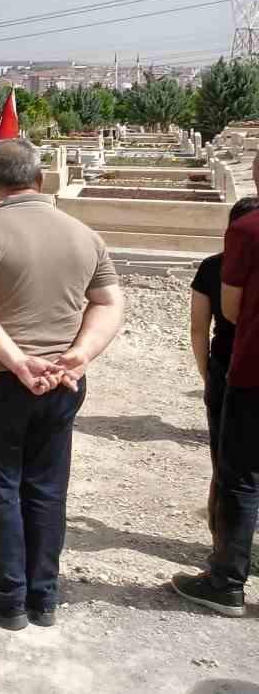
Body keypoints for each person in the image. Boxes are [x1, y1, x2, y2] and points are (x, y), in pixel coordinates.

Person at [0, 137, 123, 629]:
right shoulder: (82, 234)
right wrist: (79, 355)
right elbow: (109, 302)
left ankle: (7, 592)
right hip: (63, 380)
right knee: (47, 485)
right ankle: (43, 593)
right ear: (41, 180)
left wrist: (17, 361)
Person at [173, 152, 259, 616]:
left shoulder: (233, 246)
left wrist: (208, 374)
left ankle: (226, 576)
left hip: (244, 370)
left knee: (237, 474)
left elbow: (220, 317)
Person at [189, 197, 258, 547]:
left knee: (228, 465)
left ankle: (223, 546)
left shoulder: (212, 267)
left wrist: (206, 374)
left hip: (228, 365)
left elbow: (198, 328)